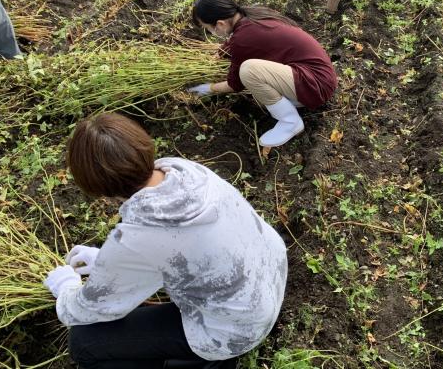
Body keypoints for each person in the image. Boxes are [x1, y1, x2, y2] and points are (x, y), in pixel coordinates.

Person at [43, 112, 287, 369]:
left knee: (84, 342)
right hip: (267, 281)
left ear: (99, 189)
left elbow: (86, 310)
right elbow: (176, 249)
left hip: (236, 329)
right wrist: (107, 261)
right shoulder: (183, 171)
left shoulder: (139, 235)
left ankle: (201, 363)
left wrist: (66, 287)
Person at [188, 0, 337, 147]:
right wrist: (221, 53)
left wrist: (209, 88)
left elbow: (234, 85)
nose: (211, 33)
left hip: (317, 85)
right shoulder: (251, 14)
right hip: (319, 75)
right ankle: (291, 101)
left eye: (208, 29)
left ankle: (290, 121)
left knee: (248, 70)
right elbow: (238, 41)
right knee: (252, 71)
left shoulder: (242, 39)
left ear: (220, 24)